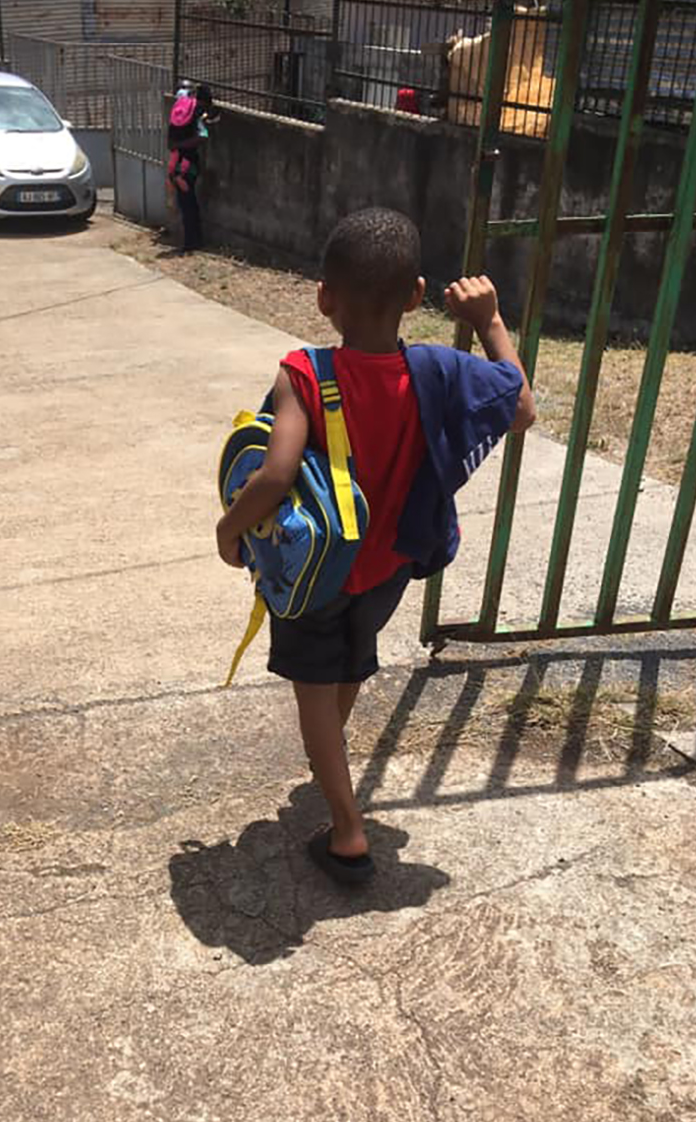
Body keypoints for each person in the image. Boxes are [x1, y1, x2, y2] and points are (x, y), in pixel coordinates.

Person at [215, 208, 535, 884]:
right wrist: (489, 321)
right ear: (416, 296)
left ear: (324, 297)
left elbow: (274, 475)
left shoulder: (303, 371)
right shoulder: (436, 370)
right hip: (387, 568)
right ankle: (332, 768)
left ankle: (348, 831)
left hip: (313, 574)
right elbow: (521, 405)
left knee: (312, 692)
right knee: (349, 664)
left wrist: (228, 529)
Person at [167, 83, 218, 254]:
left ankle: (192, 240)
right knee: (188, 200)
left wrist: (177, 145)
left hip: (177, 160)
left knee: (185, 201)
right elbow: (203, 136)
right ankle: (193, 240)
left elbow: (181, 91)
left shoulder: (183, 105)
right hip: (189, 162)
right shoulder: (198, 112)